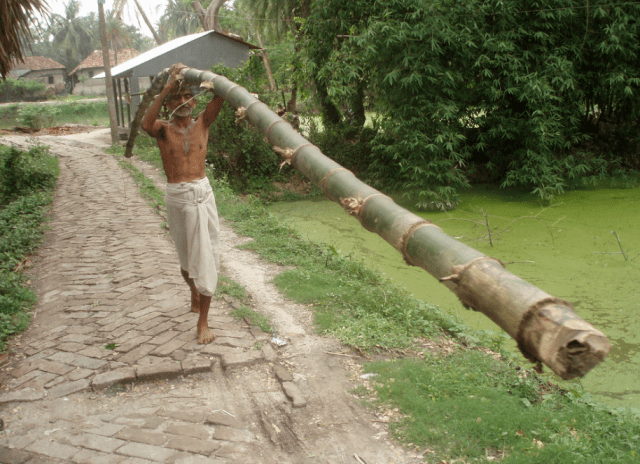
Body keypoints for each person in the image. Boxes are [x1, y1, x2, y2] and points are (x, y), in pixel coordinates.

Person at [141, 63, 225, 344]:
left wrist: (211, 82)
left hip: (202, 193)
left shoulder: (202, 122)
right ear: (167, 105)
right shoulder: (163, 130)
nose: (181, 102)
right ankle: (193, 289)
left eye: (185, 96)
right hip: (178, 196)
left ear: (193, 99)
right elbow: (144, 124)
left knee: (207, 256)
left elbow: (221, 96)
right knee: (186, 262)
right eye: (175, 99)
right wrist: (166, 87)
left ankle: (203, 322)